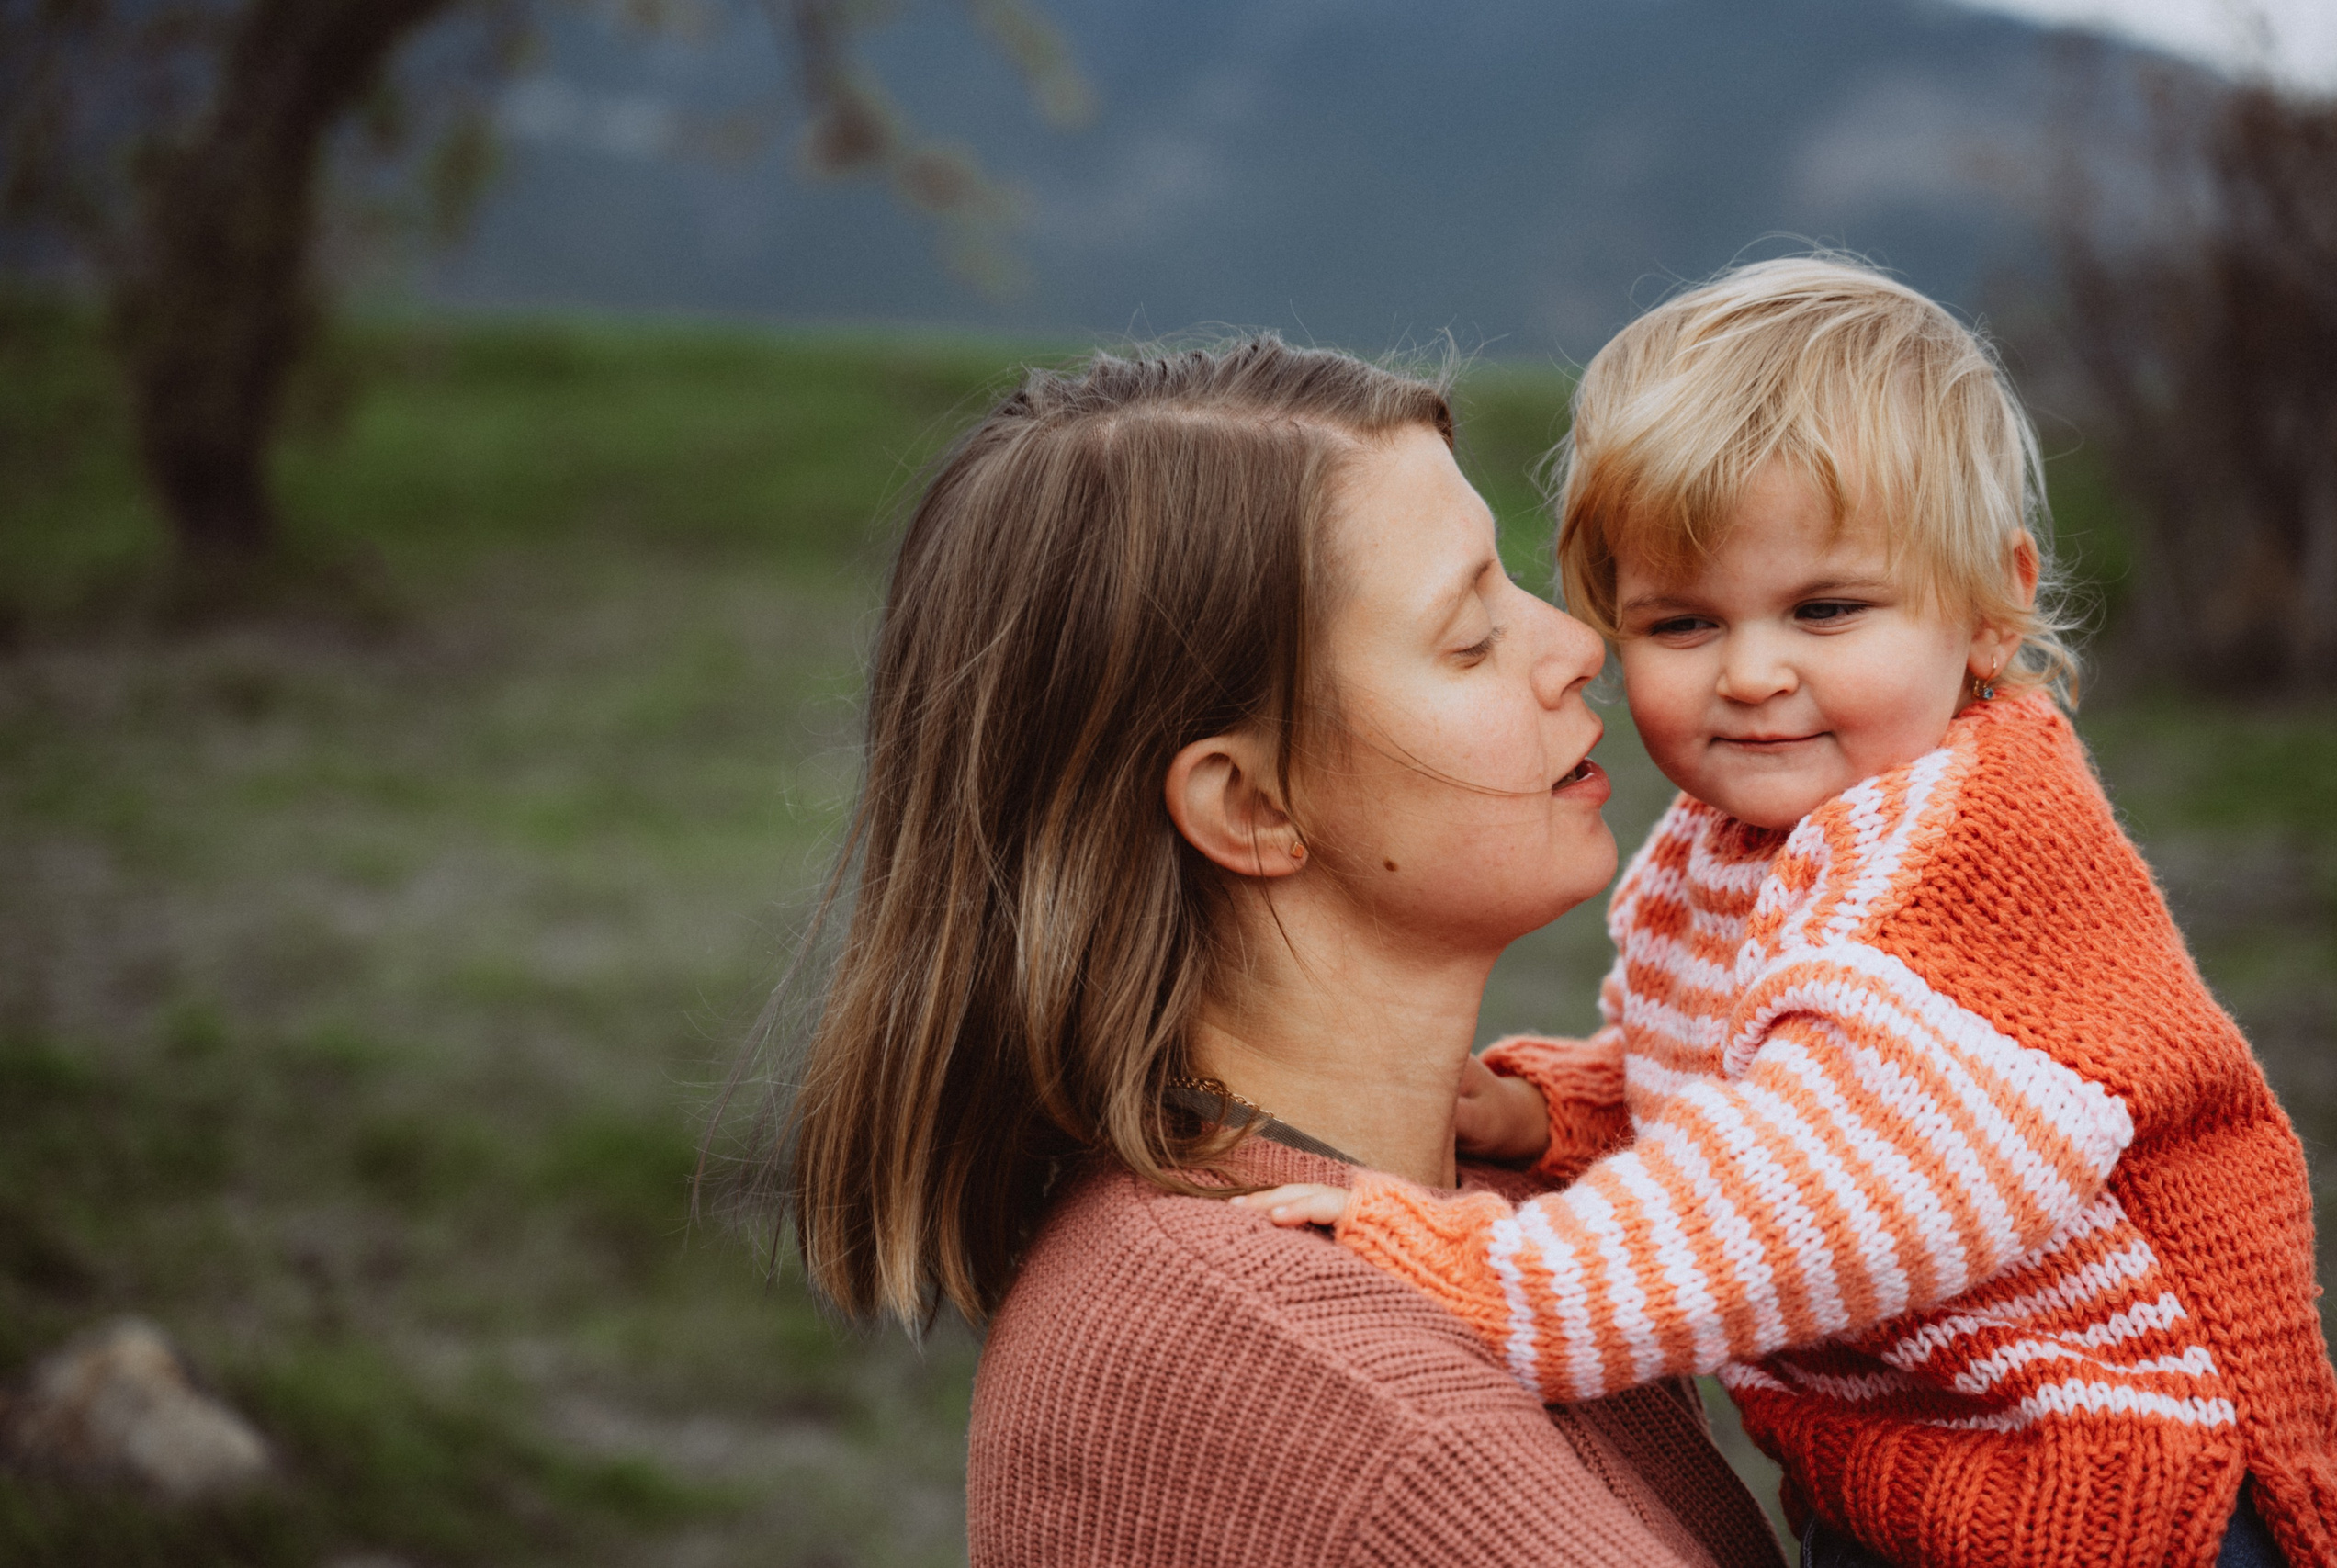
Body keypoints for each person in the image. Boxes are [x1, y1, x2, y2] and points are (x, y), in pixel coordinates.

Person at [1238, 259, 2337, 1568]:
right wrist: (1568, 1112)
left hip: (2109, 1489)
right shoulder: (1743, 838)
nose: (1755, 674)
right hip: (1910, 1473)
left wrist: (1498, 1283)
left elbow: (1825, 1175)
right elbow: (1761, 1083)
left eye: (1826, 610)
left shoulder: (1978, 850)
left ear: (1989, 608)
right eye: (1684, 622)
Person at [760, 338, 1786, 1567]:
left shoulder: (1502, 1201)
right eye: (1469, 638)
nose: (1578, 645)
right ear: (1251, 806)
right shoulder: (1314, 1376)